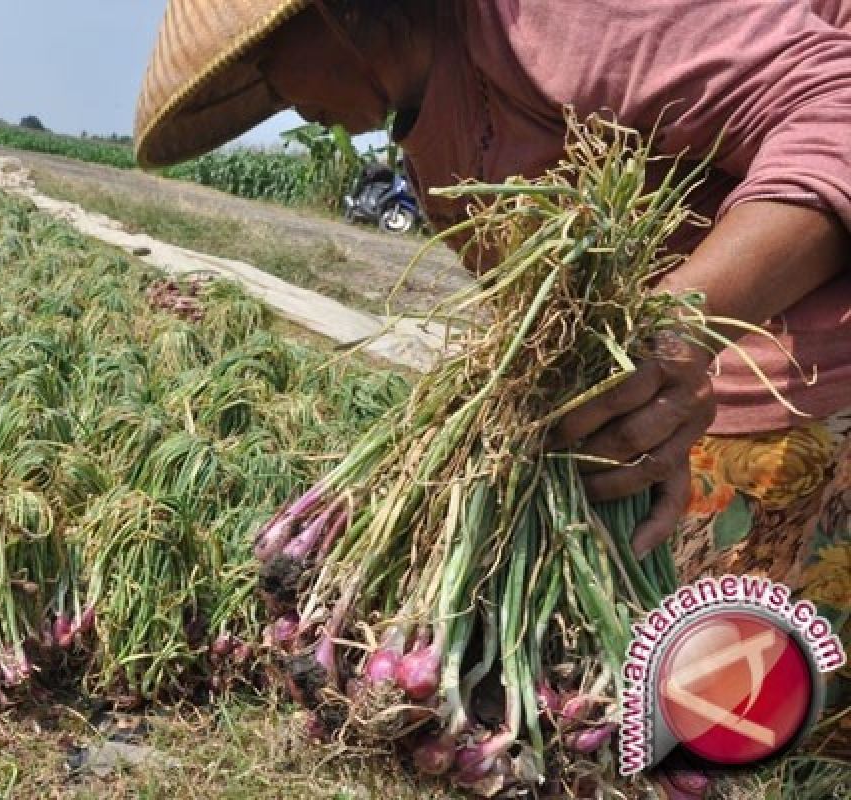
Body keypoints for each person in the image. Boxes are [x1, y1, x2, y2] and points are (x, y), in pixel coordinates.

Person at [135, 0, 850, 733]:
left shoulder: (553, 16)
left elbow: (838, 106)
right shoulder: (426, 142)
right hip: (656, 441)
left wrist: (680, 329)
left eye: (264, 64)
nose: (278, 101)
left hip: (807, 395)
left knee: (779, 734)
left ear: (342, 14)